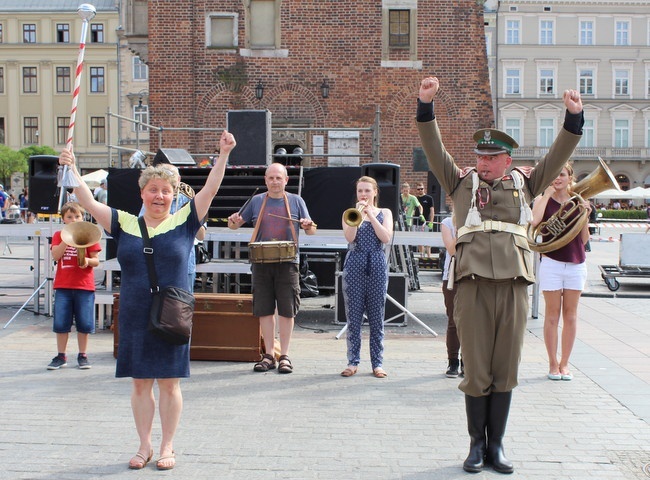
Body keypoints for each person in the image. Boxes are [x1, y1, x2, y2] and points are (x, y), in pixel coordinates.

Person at [417, 76, 583, 474]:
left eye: (491, 157)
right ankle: (476, 445)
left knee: (506, 367)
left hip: (513, 285)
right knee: (476, 368)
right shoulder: (460, 182)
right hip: (472, 285)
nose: (483, 161)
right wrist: (426, 105)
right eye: (480, 155)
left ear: (507, 159)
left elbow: (558, 156)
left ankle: (498, 446)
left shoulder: (527, 184)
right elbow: (432, 146)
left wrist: (573, 118)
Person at [58, 129, 236, 471]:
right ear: (142, 193)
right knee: (140, 382)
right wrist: (73, 169)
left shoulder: (185, 220)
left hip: (171, 313)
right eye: (153, 190)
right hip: (136, 311)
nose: (159, 196)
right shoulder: (124, 222)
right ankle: (144, 446)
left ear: (174, 196)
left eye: (165, 192)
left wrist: (224, 155)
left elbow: (211, 189)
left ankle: (168, 445)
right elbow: (89, 203)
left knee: (169, 382)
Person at [227, 163, 316, 374]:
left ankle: (284, 355)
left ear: (286, 180)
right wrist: (233, 220)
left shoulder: (296, 201)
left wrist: (307, 225)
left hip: (288, 262)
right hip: (261, 263)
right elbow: (234, 225)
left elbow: (311, 231)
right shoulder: (257, 201)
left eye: (279, 178)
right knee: (264, 309)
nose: (274, 182)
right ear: (265, 180)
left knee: (287, 310)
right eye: (271, 178)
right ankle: (268, 355)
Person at [531, 164, 589, 382]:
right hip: (551, 263)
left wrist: (585, 215)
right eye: (554, 175)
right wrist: (546, 195)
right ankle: (552, 363)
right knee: (552, 315)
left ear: (570, 178)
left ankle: (565, 363)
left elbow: (583, 240)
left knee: (571, 316)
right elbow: (535, 222)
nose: (557, 178)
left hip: (576, 263)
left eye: (562, 175)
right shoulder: (543, 200)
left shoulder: (578, 202)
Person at [339, 176, 394, 378]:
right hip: (355, 262)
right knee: (353, 317)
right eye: (360, 191)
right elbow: (349, 237)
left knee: (376, 316)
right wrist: (359, 215)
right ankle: (352, 361)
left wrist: (371, 215)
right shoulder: (350, 213)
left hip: (377, 263)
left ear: (375, 192)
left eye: (367, 191)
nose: (363, 195)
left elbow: (386, 237)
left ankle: (377, 363)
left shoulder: (384, 212)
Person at [47, 202, 102, 370]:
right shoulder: (58, 235)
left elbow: (96, 261)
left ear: (82, 217)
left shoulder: (87, 234)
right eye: (69, 217)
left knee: (84, 323)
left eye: (77, 216)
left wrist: (86, 261)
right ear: (63, 219)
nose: (74, 219)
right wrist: (67, 238)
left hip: (84, 285)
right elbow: (56, 256)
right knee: (61, 323)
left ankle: (82, 355)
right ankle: (61, 355)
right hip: (63, 285)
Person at [139, 162, 207, 293]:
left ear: (179, 179)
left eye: (172, 176)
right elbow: (142, 227)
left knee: (182, 307)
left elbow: (201, 235)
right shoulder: (152, 201)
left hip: (183, 264)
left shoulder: (190, 200)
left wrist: (190, 217)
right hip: (157, 263)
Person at [440, 211, 461, 378]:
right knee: (454, 321)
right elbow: (452, 250)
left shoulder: (480, 220)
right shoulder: (447, 223)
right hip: (452, 278)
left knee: (472, 323)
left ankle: (468, 361)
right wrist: (462, 229)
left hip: (475, 276)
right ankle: (452, 361)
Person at [413, 182, 435, 256]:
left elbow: (432, 211)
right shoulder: (415, 199)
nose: (420, 190)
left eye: (421, 189)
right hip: (417, 223)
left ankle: (429, 256)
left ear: (424, 188)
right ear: (416, 190)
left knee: (427, 241)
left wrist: (431, 221)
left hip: (426, 222)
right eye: (418, 189)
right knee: (419, 240)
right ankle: (421, 255)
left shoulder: (429, 198)